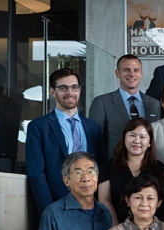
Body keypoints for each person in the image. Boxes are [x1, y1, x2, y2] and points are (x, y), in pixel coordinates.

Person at [27, 68, 107, 217]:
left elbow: (101, 168)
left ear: (80, 90)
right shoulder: (38, 127)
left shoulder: (93, 128)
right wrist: (50, 210)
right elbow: (36, 174)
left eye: (74, 87)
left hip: (90, 206)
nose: (70, 92)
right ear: (52, 91)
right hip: (57, 204)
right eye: (63, 88)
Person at [88, 54, 161, 157]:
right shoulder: (101, 102)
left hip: (147, 167)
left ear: (141, 74)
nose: (132, 74)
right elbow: (94, 141)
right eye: (126, 70)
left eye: (136, 70)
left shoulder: (154, 104)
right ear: (117, 73)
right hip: (113, 167)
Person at [98, 119, 164, 225]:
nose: (137, 141)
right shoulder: (108, 167)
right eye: (132, 135)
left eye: (142, 137)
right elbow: (104, 199)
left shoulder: (160, 169)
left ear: (150, 142)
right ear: (124, 138)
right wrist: (117, 229)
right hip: (116, 226)